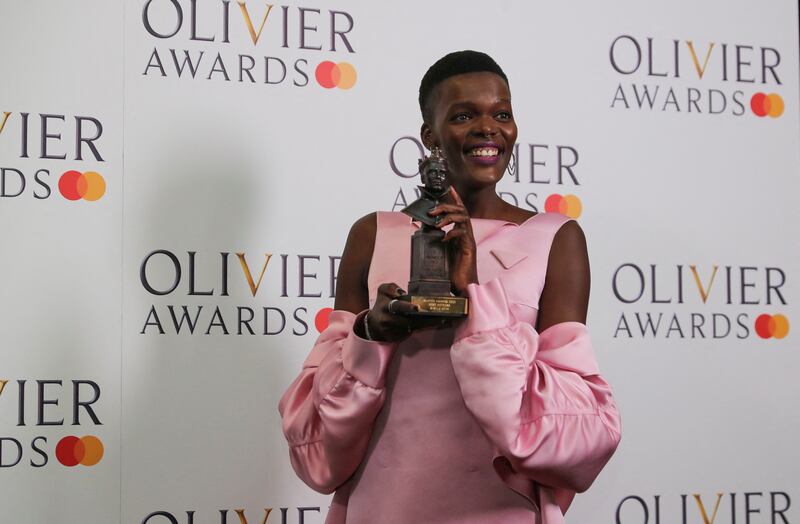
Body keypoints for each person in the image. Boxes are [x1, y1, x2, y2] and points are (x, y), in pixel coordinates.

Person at [278, 50, 621, 524]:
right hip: (384, 503)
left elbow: (580, 429)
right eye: (464, 116)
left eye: (502, 113)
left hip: (499, 509)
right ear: (429, 136)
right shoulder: (373, 234)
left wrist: (476, 296)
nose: (488, 128)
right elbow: (316, 441)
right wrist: (370, 335)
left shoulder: (556, 239)